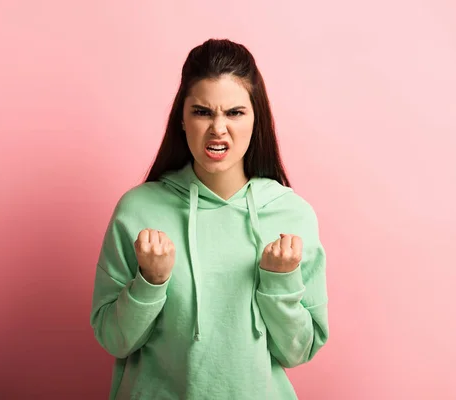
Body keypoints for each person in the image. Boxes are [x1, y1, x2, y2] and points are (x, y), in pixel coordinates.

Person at [90, 38, 329, 400]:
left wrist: (279, 283)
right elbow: (114, 340)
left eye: (235, 112)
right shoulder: (137, 210)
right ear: (182, 120)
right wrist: (150, 282)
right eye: (203, 112)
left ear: (255, 119)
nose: (218, 128)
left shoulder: (291, 215)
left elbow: (297, 352)